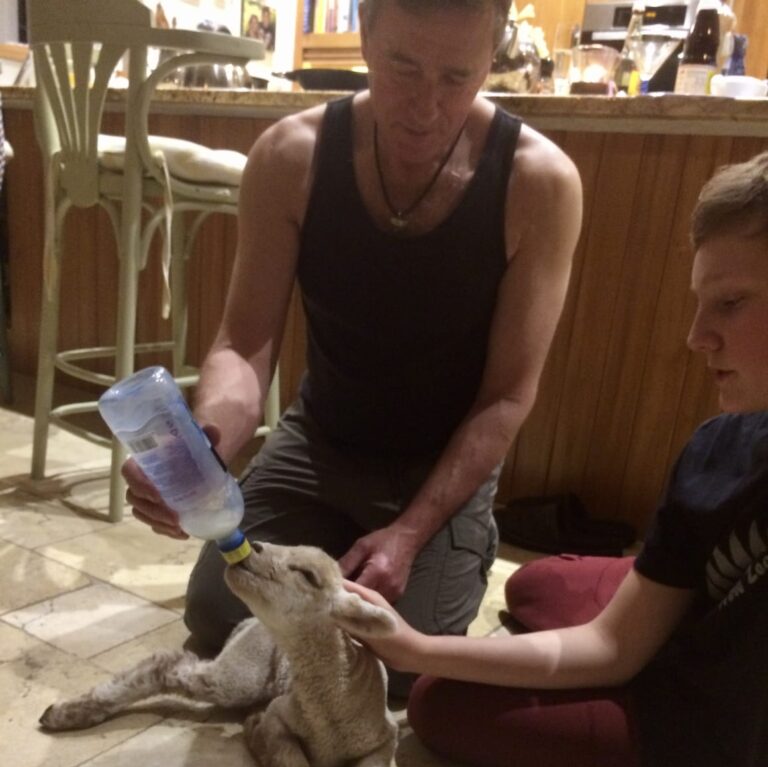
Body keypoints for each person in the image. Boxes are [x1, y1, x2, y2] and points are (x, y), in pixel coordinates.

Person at [123, 0, 582, 695]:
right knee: (217, 610)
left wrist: (410, 533)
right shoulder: (291, 155)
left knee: (397, 663)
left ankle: (460, 538)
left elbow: (507, 398)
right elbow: (245, 344)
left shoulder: (539, 183)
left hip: (442, 461)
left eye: (457, 77)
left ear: (491, 61)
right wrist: (209, 442)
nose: (425, 108)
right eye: (403, 66)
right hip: (320, 441)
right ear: (364, 38)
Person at [345, 150, 768, 767]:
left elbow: (612, 653)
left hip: (713, 725)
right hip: (698, 622)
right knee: (538, 582)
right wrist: (411, 643)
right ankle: (666, 618)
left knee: (439, 707)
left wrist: (419, 654)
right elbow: (612, 644)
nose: (696, 337)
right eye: (699, 304)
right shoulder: (720, 445)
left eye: (732, 304)